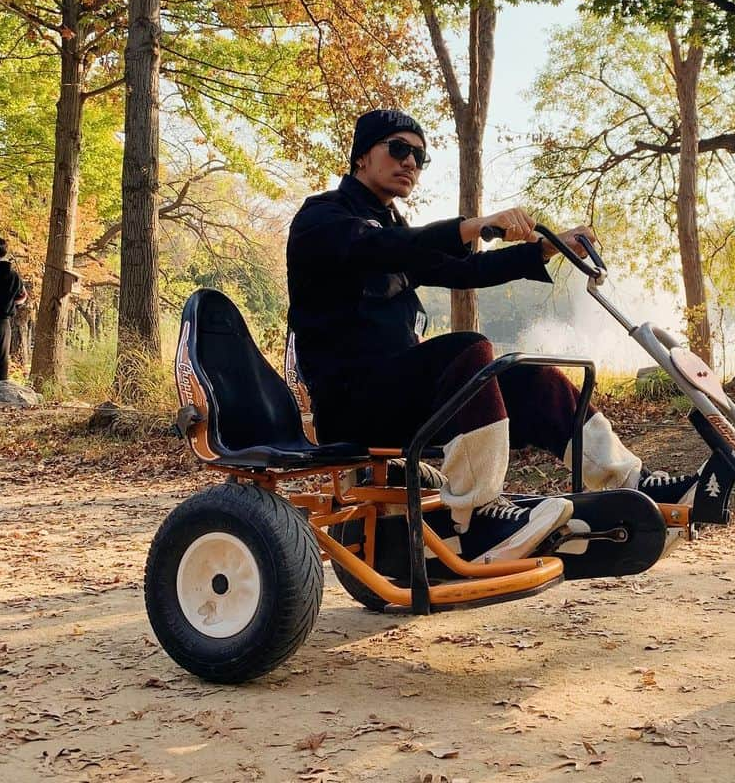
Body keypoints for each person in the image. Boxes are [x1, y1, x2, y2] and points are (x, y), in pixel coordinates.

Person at [287, 109, 698, 564]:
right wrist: (476, 224)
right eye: (399, 148)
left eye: (420, 157)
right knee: (470, 350)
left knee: (530, 379)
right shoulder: (322, 217)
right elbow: (376, 248)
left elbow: (468, 269)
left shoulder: (397, 231)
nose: (411, 163)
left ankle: (631, 484)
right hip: (352, 405)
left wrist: (545, 247)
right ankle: (476, 516)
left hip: (402, 401)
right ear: (362, 156)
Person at [0, 239, 28, 383]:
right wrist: (10, 303)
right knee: (2, 359)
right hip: (3, 323)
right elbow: (22, 297)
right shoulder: (13, 276)